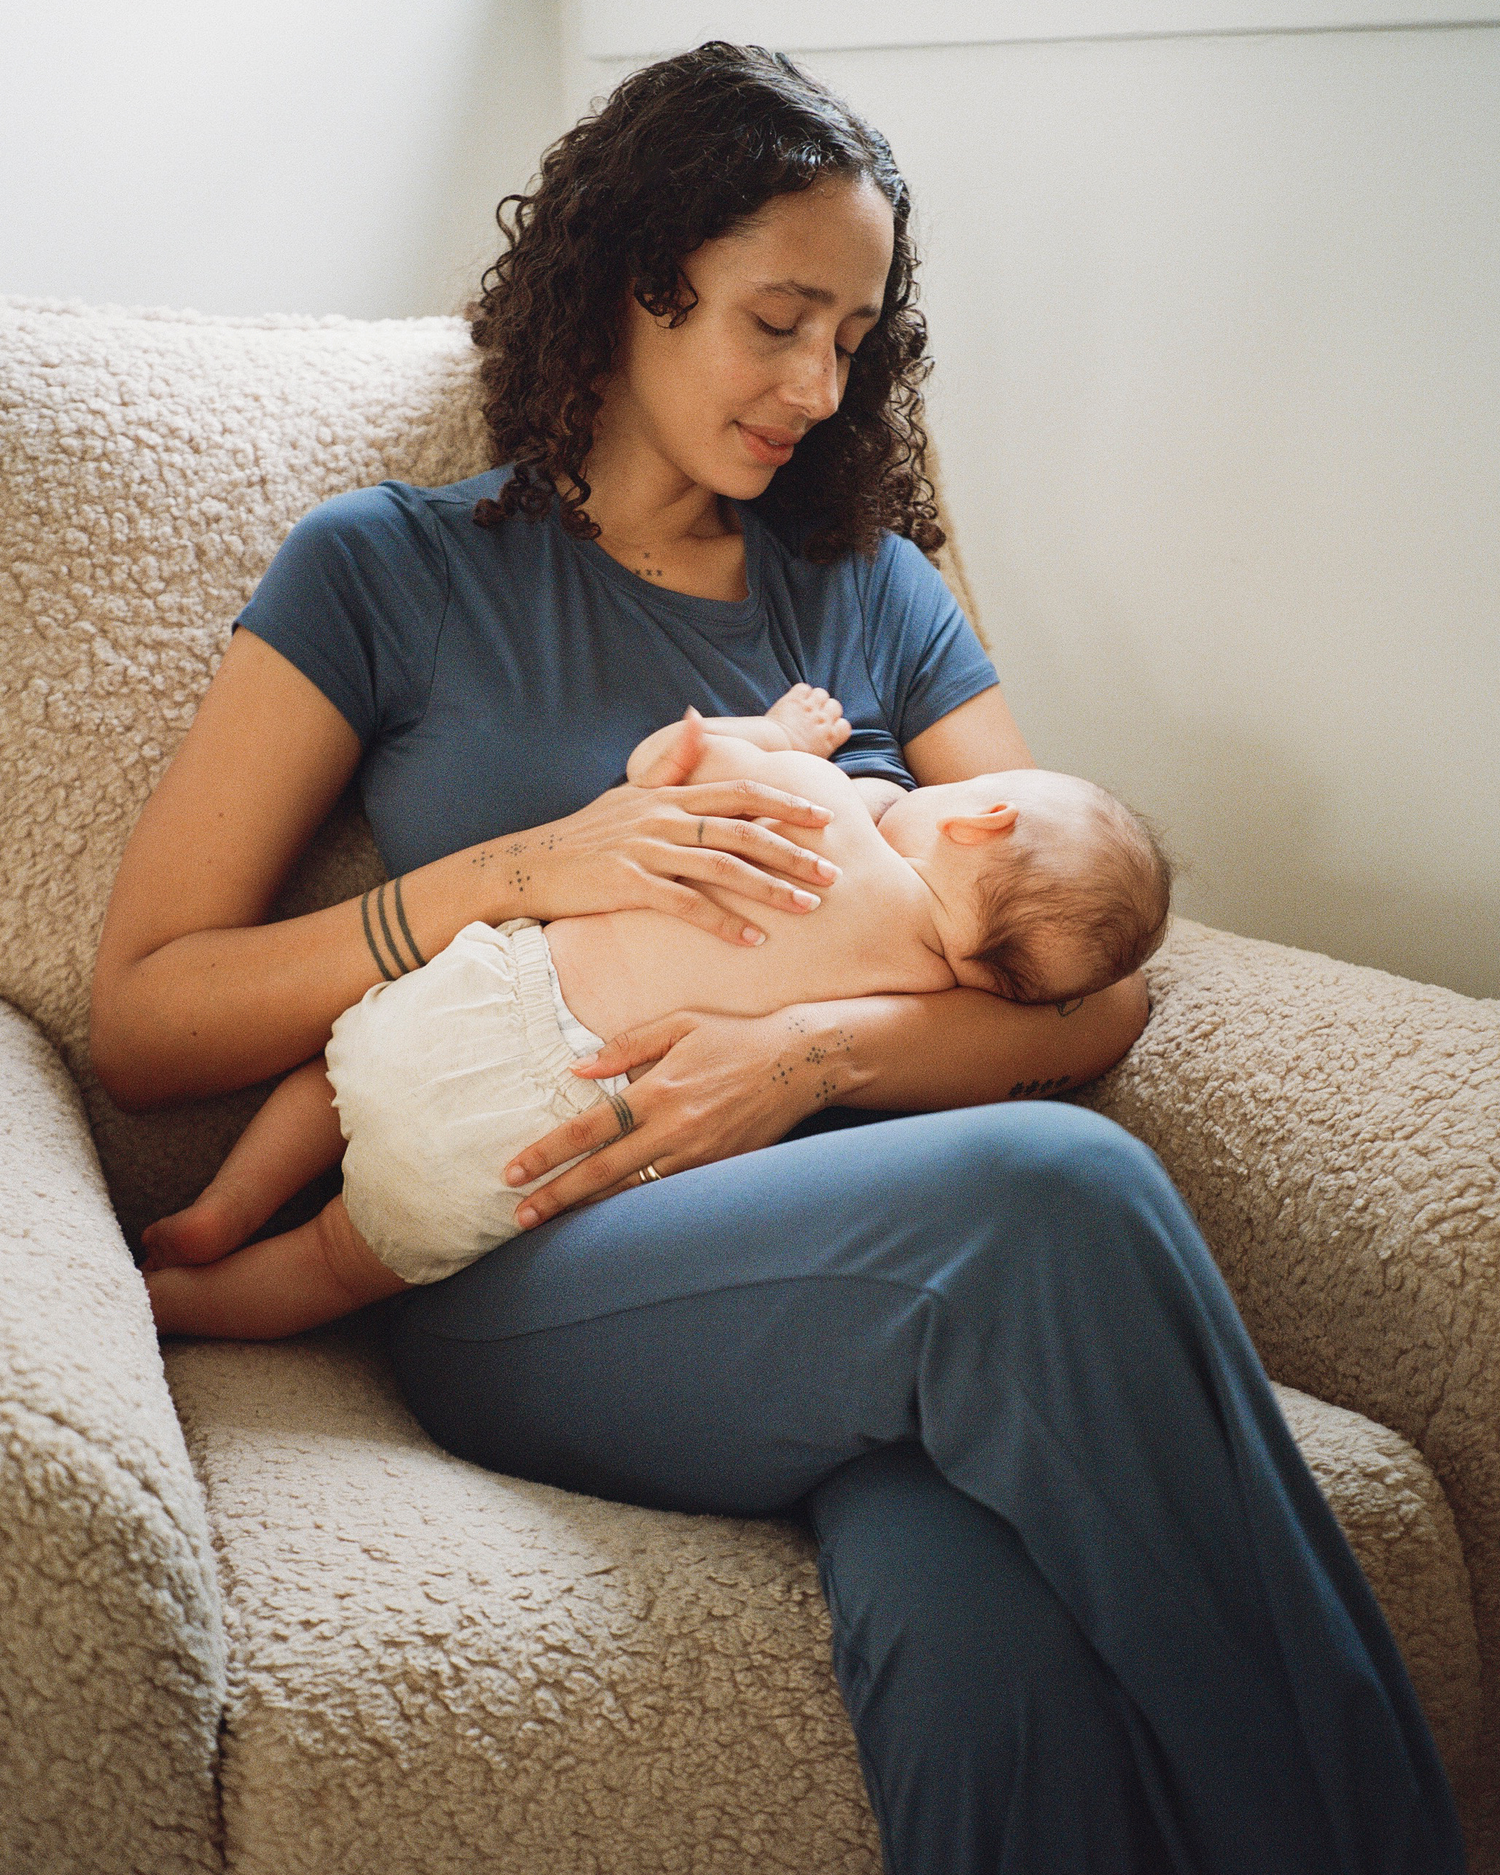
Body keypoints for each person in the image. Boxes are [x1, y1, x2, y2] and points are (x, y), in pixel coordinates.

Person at [90, 41, 1465, 1875]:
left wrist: (807, 1059)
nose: (820, 386)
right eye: (777, 321)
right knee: (1054, 1194)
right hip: (547, 1237)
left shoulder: (872, 586)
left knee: (977, 1626)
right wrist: (522, 869)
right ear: (632, 282)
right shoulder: (387, 572)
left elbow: (1100, 985)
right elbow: (144, 1015)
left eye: (854, 337)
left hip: (875, 1261)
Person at [139, 684, 1173, 1339]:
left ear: (984, 814)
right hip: (565, 1139)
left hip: (497, 994)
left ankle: (225, 1206)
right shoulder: (919, 996)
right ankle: (180, 1306)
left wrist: (779, 734)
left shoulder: (819, 808)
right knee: (333, 1262)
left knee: (328, 1075)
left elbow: (666, 765)